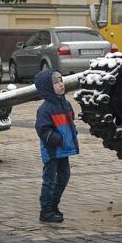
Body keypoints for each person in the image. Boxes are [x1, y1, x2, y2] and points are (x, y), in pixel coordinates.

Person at [34, 69, 79, 223]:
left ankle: (53, 205)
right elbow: (42, 129)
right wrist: (57, 139)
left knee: (64, 177)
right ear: (47, 87)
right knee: (50, 180)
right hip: (52, 151)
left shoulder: (65, 104)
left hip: (64, 150)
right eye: (56, 83)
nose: (61, 85)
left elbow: (70, 122)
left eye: (61, 81)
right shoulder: (45, 109)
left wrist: (73, 133)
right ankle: (46, 211)